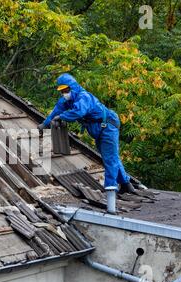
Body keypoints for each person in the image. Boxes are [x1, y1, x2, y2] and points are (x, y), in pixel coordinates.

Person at [38, 73, 135, 210]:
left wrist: (62, 116)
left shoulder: (84, 97)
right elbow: (56, 111)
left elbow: (78, 112)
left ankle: (111, 195)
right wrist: (44, 124)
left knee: (110, 159)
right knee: (110, 157)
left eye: (66, 90)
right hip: (99, 129)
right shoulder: (67, 100)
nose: (64, 93)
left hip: (108, 126)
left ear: (73, 87)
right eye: (62, 91)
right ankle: (126, 184)